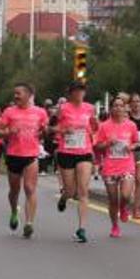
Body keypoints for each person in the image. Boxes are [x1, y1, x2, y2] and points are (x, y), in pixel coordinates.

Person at [0, 83, 49, 239]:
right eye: (15, 93)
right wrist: (7, 131)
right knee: (14, 191)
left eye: (18, 93)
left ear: (28, 94)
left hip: (31, 155)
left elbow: (44, 131)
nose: (15, 96)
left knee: (29, 188)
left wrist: (45, 132)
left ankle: (29, 223)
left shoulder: (40, 112)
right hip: (13, 155)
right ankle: (14, 211)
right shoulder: (9, 112)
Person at [54, 81, 98, 243]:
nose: (80, 94)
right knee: (70, 191)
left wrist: (95, 126)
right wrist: (63, 130)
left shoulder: (90, 108)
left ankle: (81, 229)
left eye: (82, 91)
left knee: (83, 191)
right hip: (66, 151)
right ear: (71, 93)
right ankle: (64, 198)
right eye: (77, 91)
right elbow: (52, 128)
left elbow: (94, 126)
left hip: (84, 152)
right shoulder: (63, 108)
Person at [95, 96, 139, 239]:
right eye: (115, 106)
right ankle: (115, 225)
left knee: (125, 195)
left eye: (121, 105)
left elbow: (137, 143)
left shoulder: (131, 125)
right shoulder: (104, 126)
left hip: (127, 165)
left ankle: (123, 207)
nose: (118, 108)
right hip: (110, 167)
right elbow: (97, 146)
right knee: (113, 199)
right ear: (111, 108)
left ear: (125, 108)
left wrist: (130, 147)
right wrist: (108, 143)